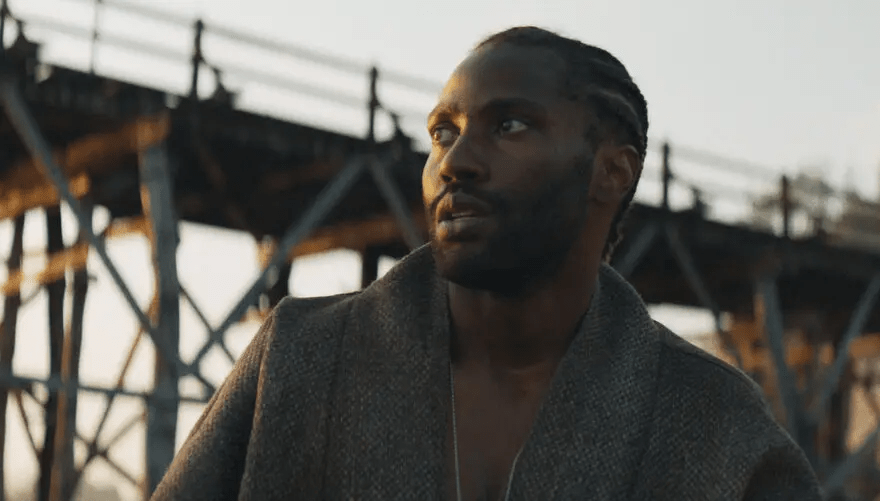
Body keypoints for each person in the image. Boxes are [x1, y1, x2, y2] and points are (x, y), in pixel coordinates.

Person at [152, 26, 823, 501]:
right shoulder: (296, 359)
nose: (456, 161)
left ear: (611, 172)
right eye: (443, 131)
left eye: (509, 126)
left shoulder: (713, 420)